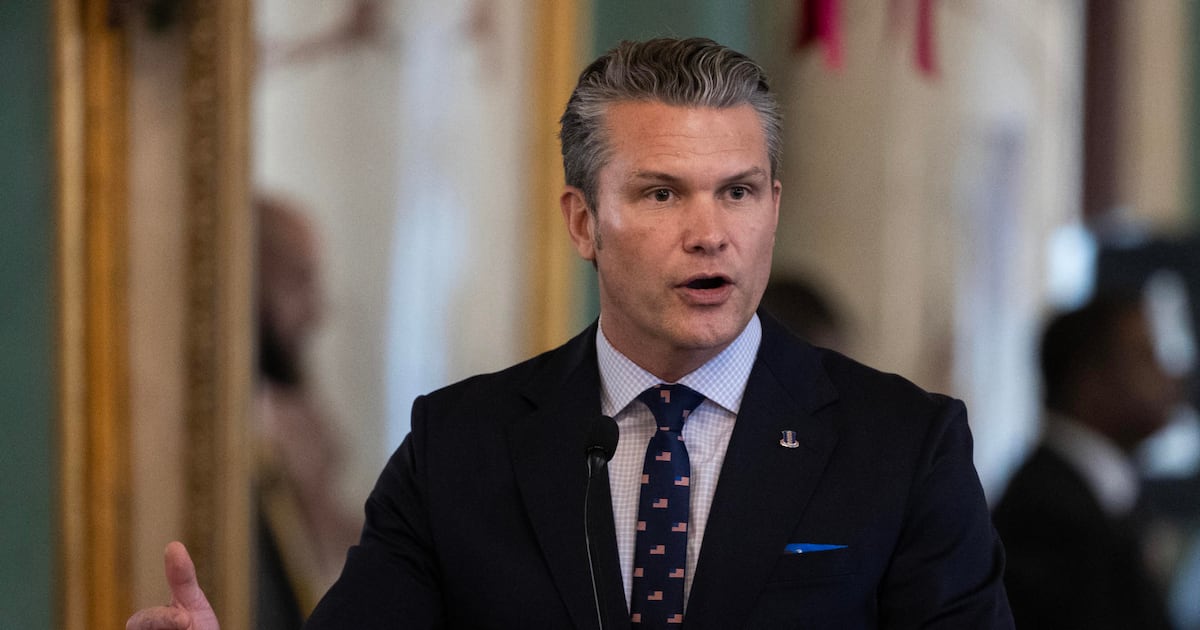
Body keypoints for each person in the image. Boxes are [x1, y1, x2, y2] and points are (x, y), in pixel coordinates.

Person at [127, 37, 1012, 630]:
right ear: (584, 222)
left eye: (738, 192)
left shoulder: (904, 447)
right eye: (661, 193)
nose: (711, 233)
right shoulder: (459, 446)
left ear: (773, 209)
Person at [992, 292, 1182, 629]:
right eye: (1145, 356)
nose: (1169, 376)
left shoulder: (1098, 493)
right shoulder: (1043, 514)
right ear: (1089, 380)